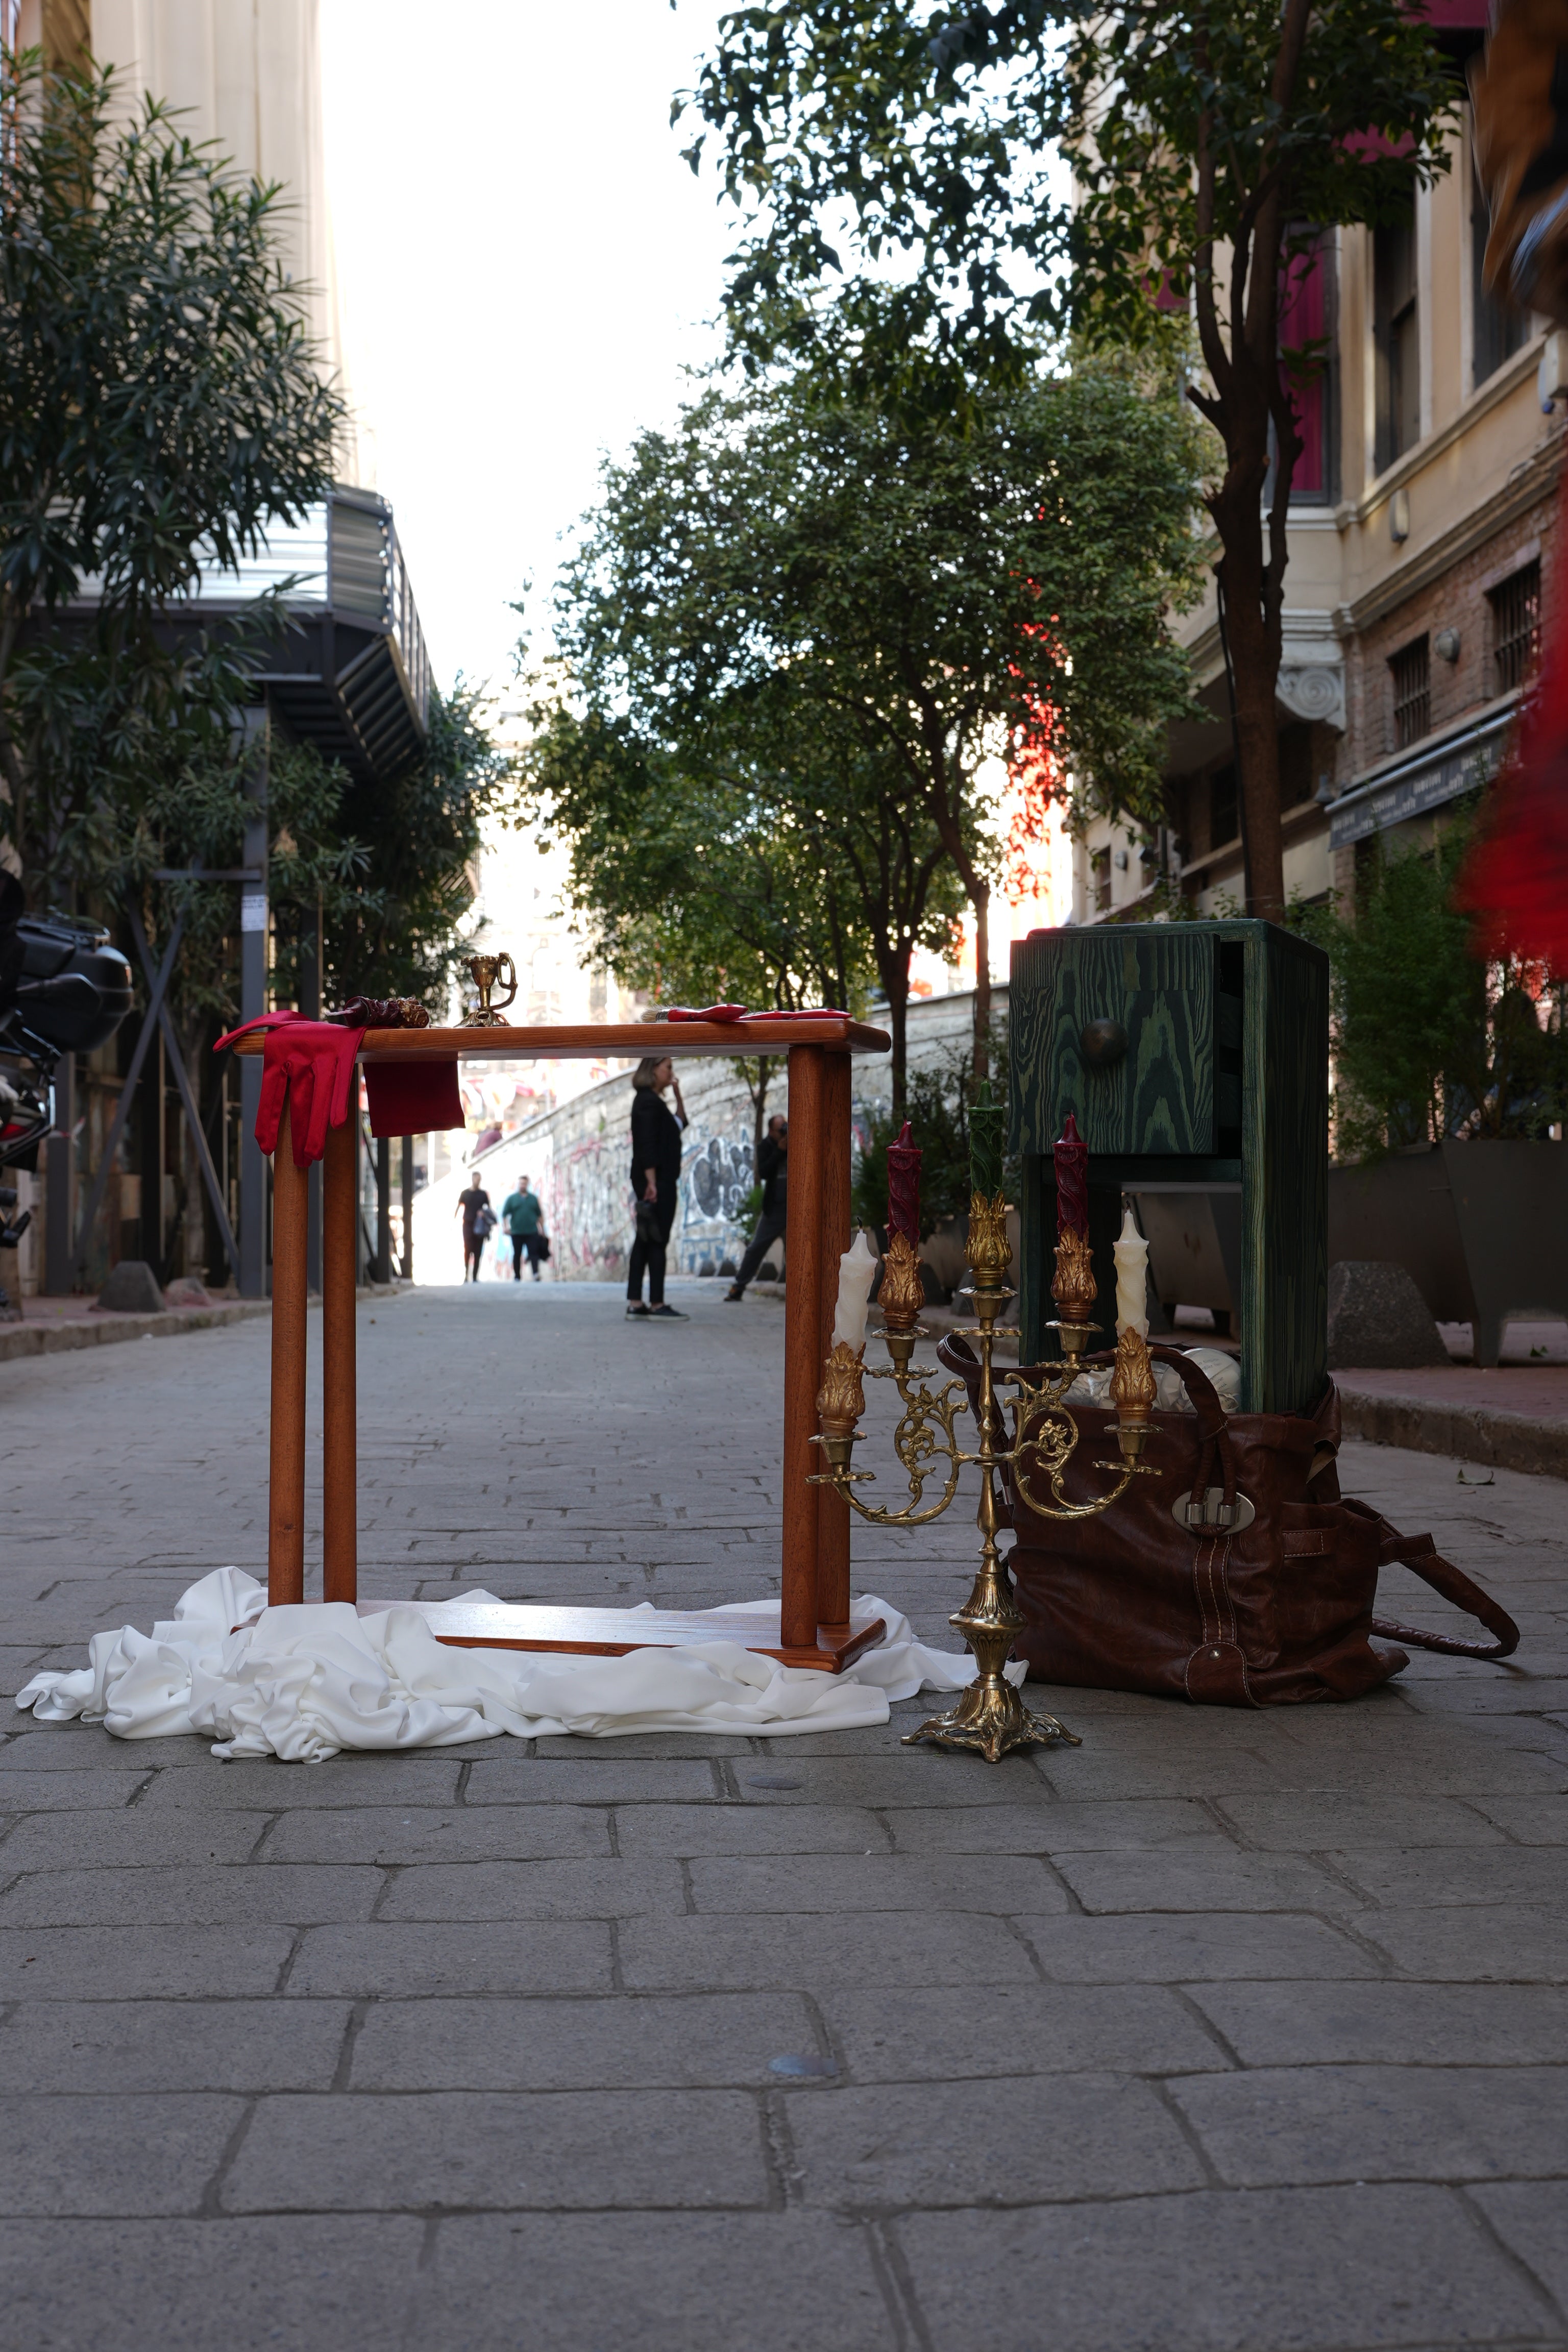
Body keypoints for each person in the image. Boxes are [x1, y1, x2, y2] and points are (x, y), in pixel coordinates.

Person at [626, 1055, 688, 1319]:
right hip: (656, 1180)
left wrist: (678, 1096)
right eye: (668, 1068)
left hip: (657, 1179)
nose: (671, 1073)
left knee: (647, 1239)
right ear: (653, 1069)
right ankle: (655, 1303)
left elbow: (680, 1124)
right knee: (655, 1239)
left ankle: (638, 1303)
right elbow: (646, 1145)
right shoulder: (647, 1102)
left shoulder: (653, 1102)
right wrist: (652, 1182)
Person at [726, 1114, 787, 1301]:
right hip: (775, 1206)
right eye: (781, 1129)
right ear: (771, 1131)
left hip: (795, 1206)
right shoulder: (765, 1146)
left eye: (785, 1127)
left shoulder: (797, 1143)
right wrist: (779, 1150)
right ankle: (738, 1287)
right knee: (756, 1247)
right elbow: (764, 1172)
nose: (784, 1132)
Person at [501, 1172, 545, 1281]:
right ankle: (517, 1276)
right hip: (517, 1232)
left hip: (532, 1231)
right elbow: (504, 1214)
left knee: (534, 1253)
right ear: (518, 1184)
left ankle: (535, 1273)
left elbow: (539, 1215)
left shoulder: (533, 1199)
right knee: (517, 1254)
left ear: (527, 1185)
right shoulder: (512, 1199)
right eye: (521, 1183)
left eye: (524, 1184)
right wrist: (506, 1228)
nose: (522, 1186)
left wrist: (542, 1230)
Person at [455, 1178, 492, 1282]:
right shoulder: (465, 1193)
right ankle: (466, 1275)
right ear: (472, 1179)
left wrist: (483, 1213)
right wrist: (454, 1220)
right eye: (476, 1179)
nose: (477, 1181)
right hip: (468, 1224)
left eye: (479, 1179)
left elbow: (489, 1209)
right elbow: (459, 1206)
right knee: (468, 1249)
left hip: (480, 1225)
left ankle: (475, 1276)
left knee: (478, 1251)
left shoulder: (483, 1194)